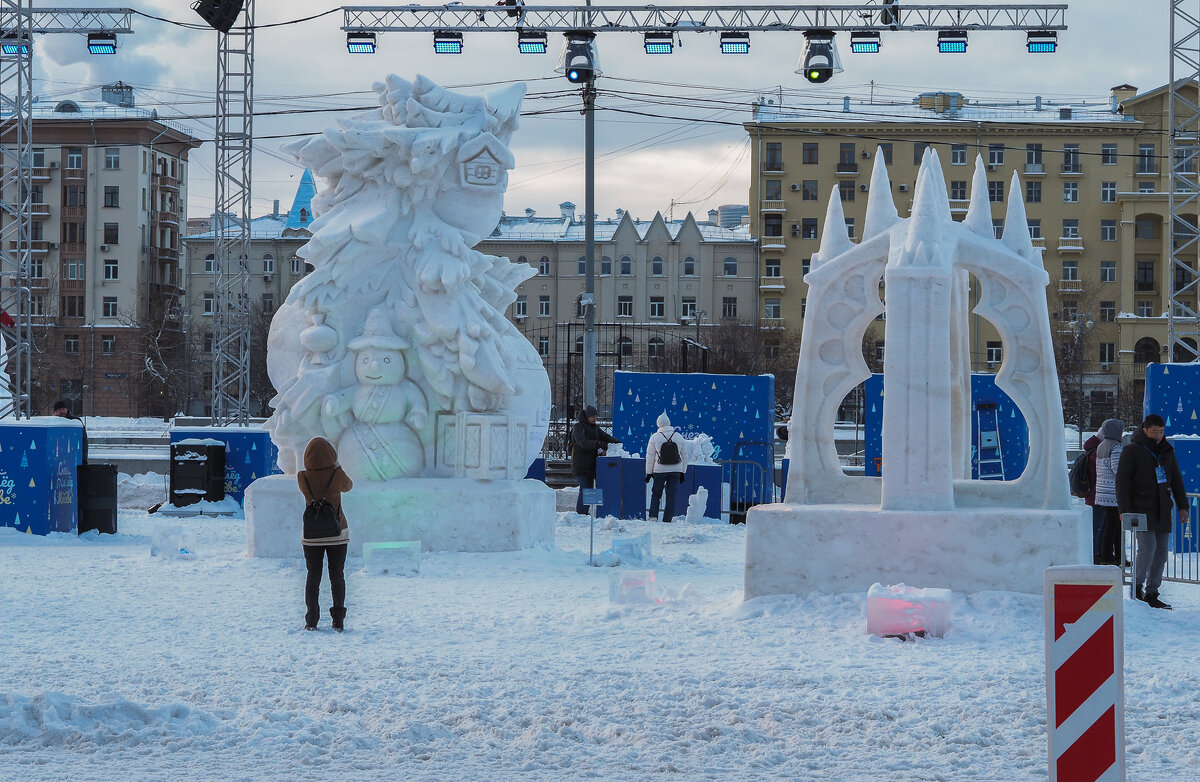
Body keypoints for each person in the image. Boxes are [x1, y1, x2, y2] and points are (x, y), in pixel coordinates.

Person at [1116, 414, 1189, 609]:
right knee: (1148, 548)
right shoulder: (1132, 450)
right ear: (1145, 429)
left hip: (1163, 508)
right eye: (1155, 431)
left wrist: (1183, 506)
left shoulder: (1167, 451)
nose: (1158, 435)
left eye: (1162, 431)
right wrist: (1124, 509)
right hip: (1141, 508)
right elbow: (1122, 482)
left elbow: (1176, 481)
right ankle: (1136, 587)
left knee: (1161, 553)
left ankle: (1152, 592)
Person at [298, 436, 353, 631]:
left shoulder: (302, 477)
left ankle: (311, 620)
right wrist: (336, 466)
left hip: (312, 535)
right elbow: (349, 486)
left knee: (313, 576)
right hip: (337, 533)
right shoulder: (337, 475)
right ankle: (338, 619)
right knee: (337, 575)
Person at [570, 405, 620, 514]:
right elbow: (582, 442)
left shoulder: (595, 428)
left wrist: (615, 441)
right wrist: (597, 443)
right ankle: (581, 513)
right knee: (585, 489)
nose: (595, 418)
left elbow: (606, 437)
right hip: (581, 465)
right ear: (587, 416)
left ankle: (584, 513)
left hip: (592, 465)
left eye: (596, 416)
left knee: (589, 490)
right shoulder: (578, 427)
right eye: (592, 416)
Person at [1091, 419, 1125, 566]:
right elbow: (1118, 470)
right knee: (1113, 526)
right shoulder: (1116, 447)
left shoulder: (1101, 446)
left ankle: (1114, 555)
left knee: (1110, 525)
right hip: (1113, 493)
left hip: (1102, 492)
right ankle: (1109, 556)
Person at [644, 412, 689, 522]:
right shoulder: (678, 436)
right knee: (671, 496)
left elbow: (650, 457)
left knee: (656, 493)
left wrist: (649, 473)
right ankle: (667, 519)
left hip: (660, 470)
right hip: (676, 470)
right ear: (669, 424)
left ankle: (653, 516)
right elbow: (685, 456)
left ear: (658, 424)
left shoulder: (654, 437)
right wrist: (683, 471)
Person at [52, 399, 88, 465]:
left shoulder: (76, 421)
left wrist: (84, 458)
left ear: (66, 409)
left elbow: (84, 440)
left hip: (73, 456)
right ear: (55, 412)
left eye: (63, 409)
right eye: (59, 410)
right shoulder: (52, 422)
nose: (62, 411)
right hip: (57, 458)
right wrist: (54, 419)